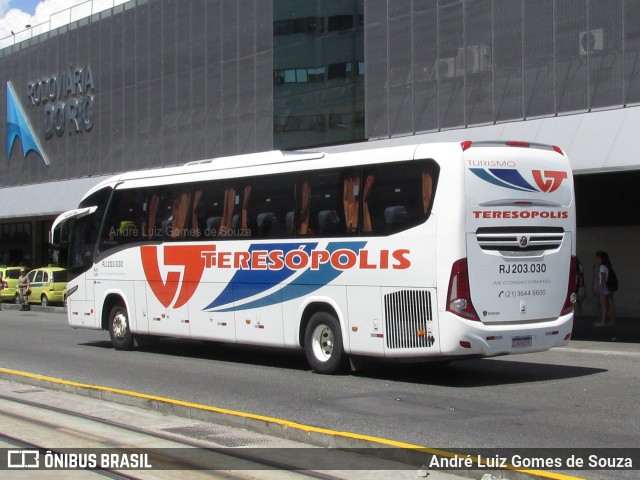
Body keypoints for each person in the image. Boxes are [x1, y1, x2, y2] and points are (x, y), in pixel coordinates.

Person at [593, 250, 615, 326]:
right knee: (609, 304)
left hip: (604, 286)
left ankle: (603, 322)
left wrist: (601, 288)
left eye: (597, 257)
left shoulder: (602, 266)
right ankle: (611, 320)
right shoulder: (608, 265)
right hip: (609, 286)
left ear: (600, 257)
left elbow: (603, 277)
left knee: (603, 305)